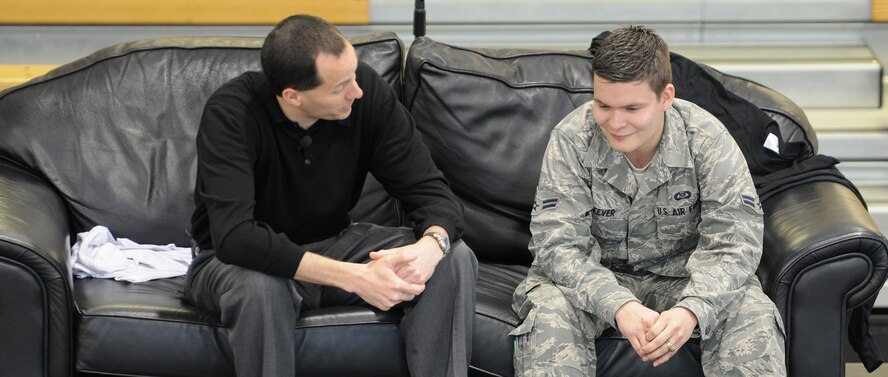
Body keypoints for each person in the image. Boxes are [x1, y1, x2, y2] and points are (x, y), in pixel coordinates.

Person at [184, 14, 477, 377]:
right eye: (340, 87)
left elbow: (433, 193)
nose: (357, 91)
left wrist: (432, 247)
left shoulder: (365, 94)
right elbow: (236, 239)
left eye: (354, 74)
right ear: (293, 96)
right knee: (261, 288)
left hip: (335, 242)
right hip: (237, 266)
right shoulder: (232, 114)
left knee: (453, 256)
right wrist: (355, 277)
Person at [510, 25, 786, 376]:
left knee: (750, 311)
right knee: (549, 310)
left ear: (666, 97)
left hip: (683, 277)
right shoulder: (572, 139)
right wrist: (618, 305)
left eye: (632, 108)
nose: (615, 122)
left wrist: (693, 309)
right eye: (603, 105)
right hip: (596, 278)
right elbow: (558, 245)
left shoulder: (706, 139)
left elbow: (735, 241)